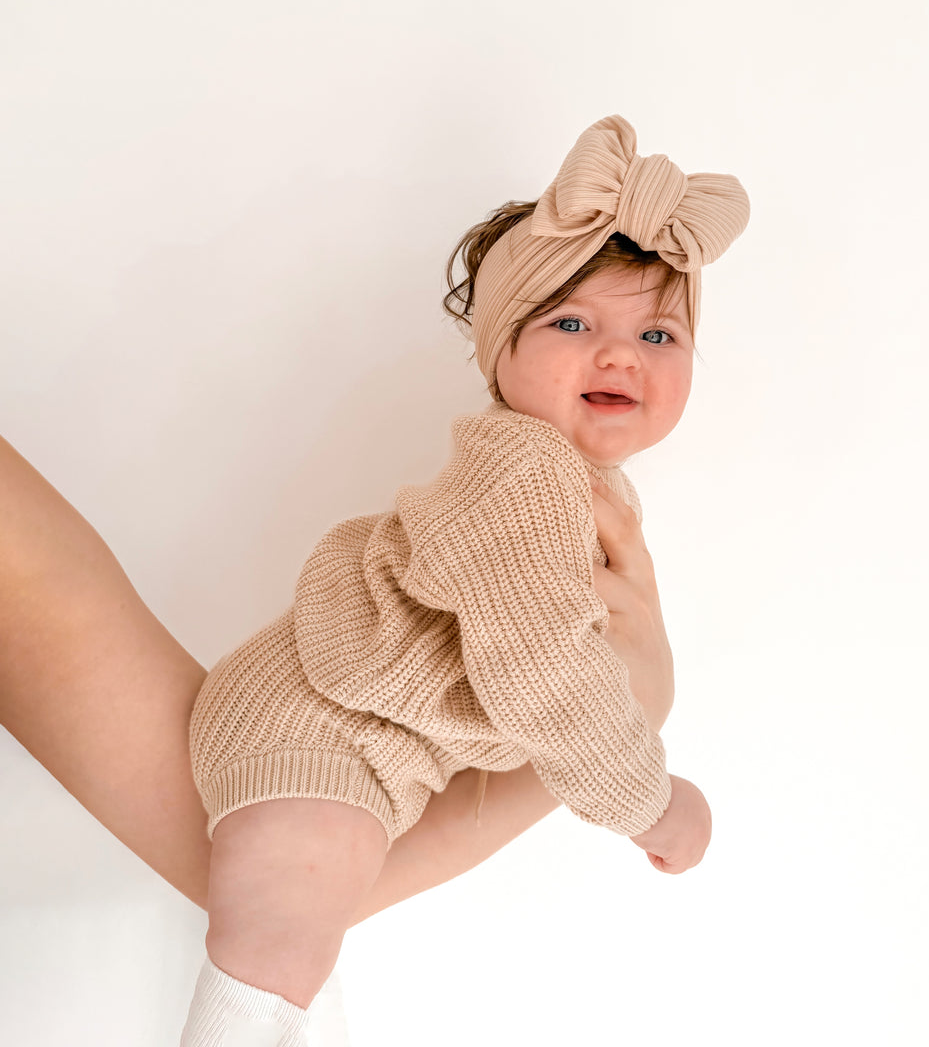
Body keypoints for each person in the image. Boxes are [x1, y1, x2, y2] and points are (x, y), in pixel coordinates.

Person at [0, 114, 749, 1046]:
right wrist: (651, 798)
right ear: (499, 348)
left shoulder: (579, 486)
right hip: (322, 730)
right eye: (571, 321)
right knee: (282, 932)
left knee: (303, 938)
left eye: (660, 332)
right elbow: (543, 677)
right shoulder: (523, 477)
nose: (620, 352)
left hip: (371, 749)